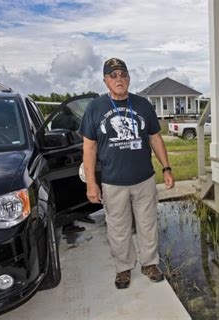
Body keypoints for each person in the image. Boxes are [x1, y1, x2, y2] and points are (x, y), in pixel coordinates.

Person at [79, 57, 175, 289]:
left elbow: (155, 137)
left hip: (144, 179)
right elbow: (89, 147)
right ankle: (123, 268)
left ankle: (150, 263)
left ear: (129, 79)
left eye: (123, 74)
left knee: (147, 224)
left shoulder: (142, 105)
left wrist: (167, 168)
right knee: (117, 228)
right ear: (105, 81)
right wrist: (91, 183)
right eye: (113, 75)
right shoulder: (95, 108)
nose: (119, 79)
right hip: (113, 182)